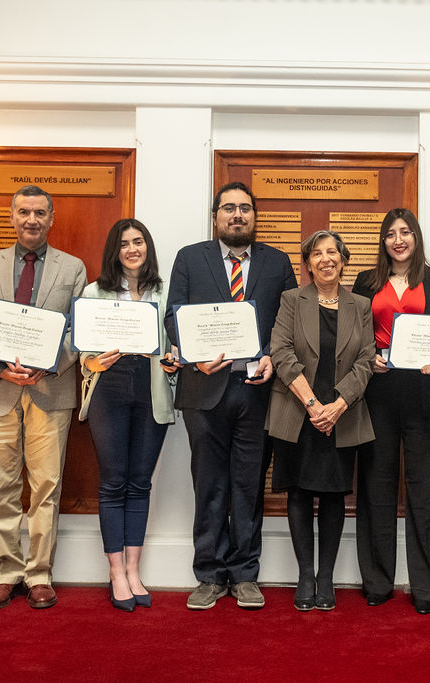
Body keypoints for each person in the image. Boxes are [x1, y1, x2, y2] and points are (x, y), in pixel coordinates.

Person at [165, 181, 297, 610]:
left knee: (248, 485)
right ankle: (209, 574)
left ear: (254, 216)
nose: (237, 215)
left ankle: (244, 574)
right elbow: (173, 317)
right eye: (228, 208)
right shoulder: (190, 258)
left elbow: (291, 319)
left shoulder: (277, 262)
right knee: (209, 485)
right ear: (215, 216)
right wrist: (194, 355)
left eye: (244, 208)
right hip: (204, 390)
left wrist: (273, 356)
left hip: (257, 392)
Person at [0, 185, 87, 610]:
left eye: (40, 213)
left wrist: (47, 365)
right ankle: (6, 571)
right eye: (24, 212)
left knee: (46, 485)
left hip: (50, 388)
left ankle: (39, 574)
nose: (32, 219)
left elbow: (78, 329)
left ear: (51, 218)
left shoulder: (73, 268)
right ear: (12, 217)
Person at [351, 208, 430, 615]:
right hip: (377, 390)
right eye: (391, 233)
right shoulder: (366, 282)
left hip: (424, 390)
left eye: (405, 232)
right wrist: (368, 357)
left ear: (416, 237)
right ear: (383, 241)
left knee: (425, 489)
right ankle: (377, 581)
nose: (398, 240)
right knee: (376, 488)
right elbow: (353, 336)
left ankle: (426, 586)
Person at [267, 230, 375, 611]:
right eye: (317, 253)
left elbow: (366, 360)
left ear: (343, 261)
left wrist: (338, 405)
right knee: (298, 493)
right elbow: (280, 352)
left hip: (341, 415)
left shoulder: (360, 305)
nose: (326, 259)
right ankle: (305, 576)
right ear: (308, 263)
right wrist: (314, 405)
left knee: (332, 495)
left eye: (333, 252)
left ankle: (326, 577)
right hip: (299, 412)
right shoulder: (291, 300)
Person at [78, 219, 175, 612]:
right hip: (110, 389)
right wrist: (92, 360)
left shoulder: (165, 291)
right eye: (124, 244)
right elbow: (79, 349)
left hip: (151, 388)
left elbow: (175, 343)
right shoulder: (93, 293)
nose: (132, 249)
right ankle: (116, 572)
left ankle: (134, 570)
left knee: (140, 483)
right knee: (113, 482)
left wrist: (174, 359)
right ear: (114, 251)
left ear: (147, 246)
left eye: (138, 242)